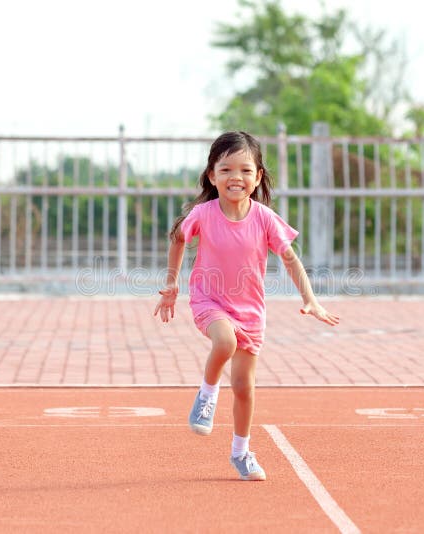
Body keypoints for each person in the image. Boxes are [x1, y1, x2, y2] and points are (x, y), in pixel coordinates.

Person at [153, 131, 339, 481]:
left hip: (250, 311)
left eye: (244, 170)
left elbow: (290, 260)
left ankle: (241, 452)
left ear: (257, 177)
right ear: (212, 176)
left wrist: (310, 299)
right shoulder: (204, 214)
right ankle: (207, 394)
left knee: (243, 387)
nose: (235, 177)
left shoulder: (265, 218)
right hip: (209, 300)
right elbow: (178, 238)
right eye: (225, 170)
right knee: (225, 342)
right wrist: (171, 282)